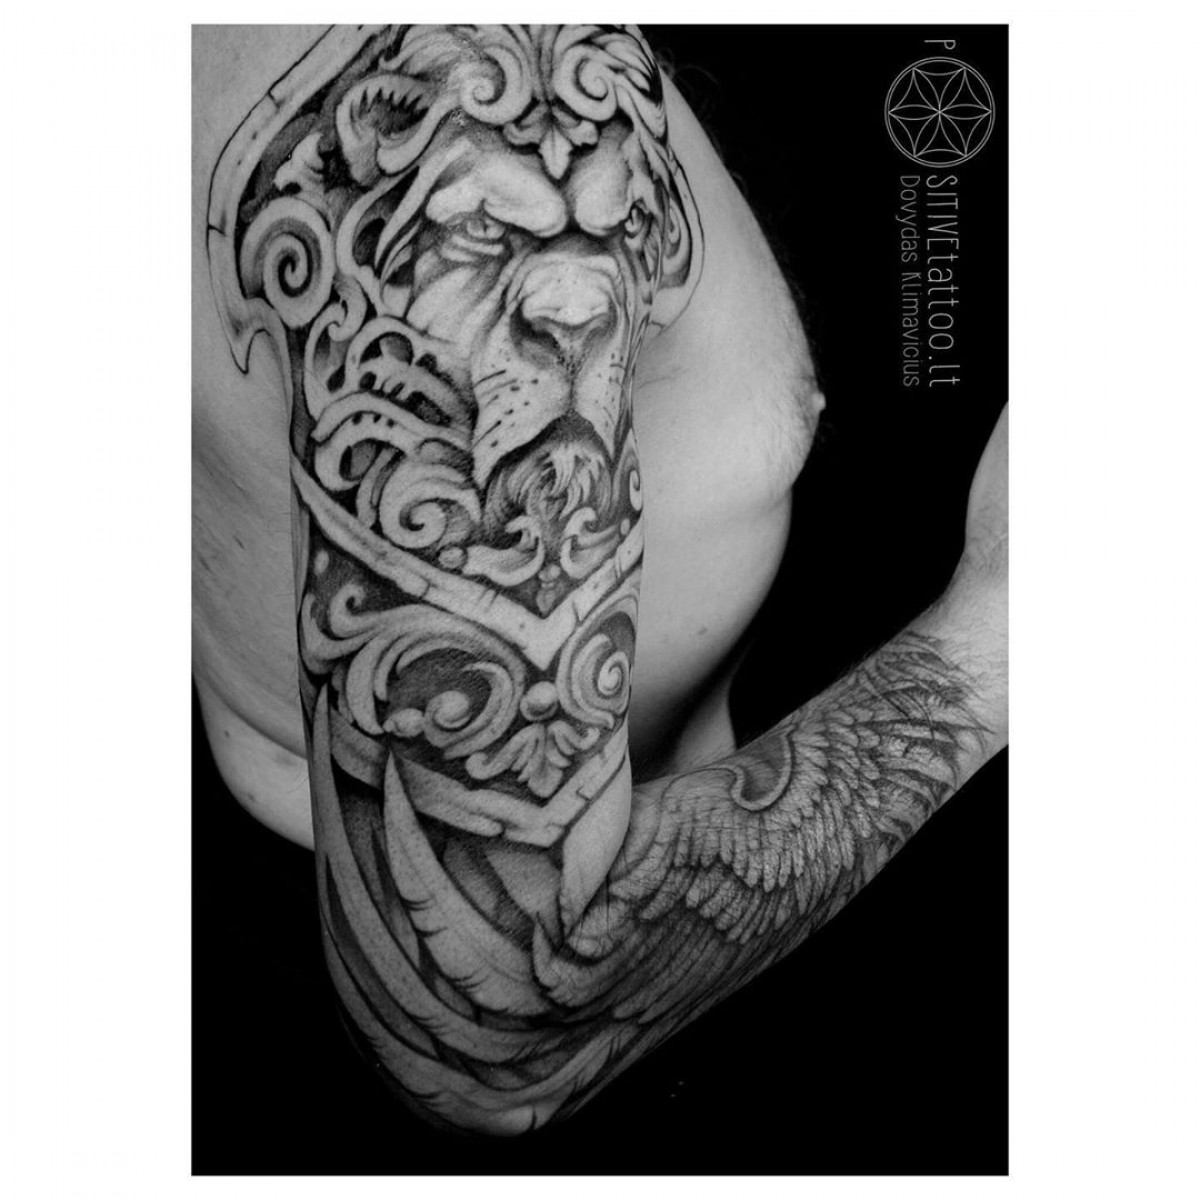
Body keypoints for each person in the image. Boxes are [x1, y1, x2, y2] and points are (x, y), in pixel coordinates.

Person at [192, 24, 1007, 1139]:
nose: (576, 308)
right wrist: (1001, 636)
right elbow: (498, 1036)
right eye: (491, 230)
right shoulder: (452, 87)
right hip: (620, 1031)